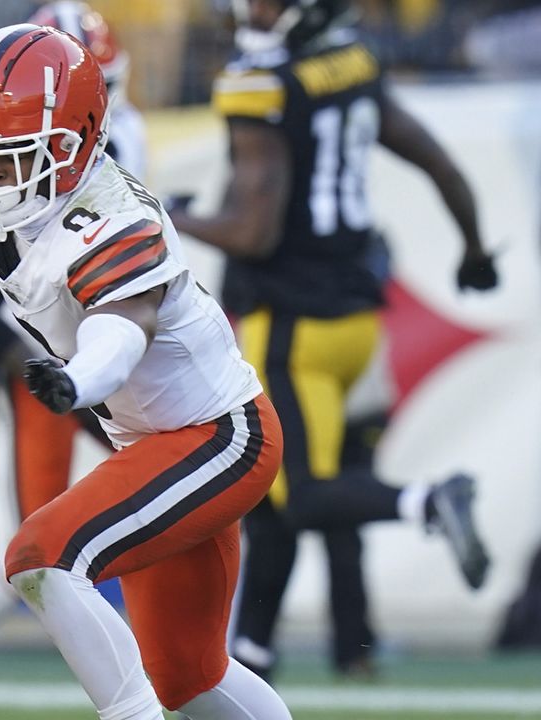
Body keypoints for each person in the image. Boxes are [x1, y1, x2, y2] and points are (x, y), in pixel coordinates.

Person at [0, 23, 292, 720]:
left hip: (220, 437)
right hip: (162, 440)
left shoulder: (112, 220)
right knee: (187, 676)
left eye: (5, 158)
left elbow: (124, 327)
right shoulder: (8, 197)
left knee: (41, 556)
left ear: (70, 146)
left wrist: (80, 380)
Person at [167, 0, 498, 682]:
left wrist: (177, 216)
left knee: (300, 494)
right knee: (309, 495)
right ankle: (279, 650)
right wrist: (473, 251)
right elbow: (441, 164)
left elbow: (253, 232)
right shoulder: (352, 63)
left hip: (293, 325)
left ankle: (429, 500)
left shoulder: (261, 84)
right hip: (358, 325)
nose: (247, 8)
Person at [0, 0, 149, 680]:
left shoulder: (124, 143)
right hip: (51, 360)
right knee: (41, 533)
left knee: (123, 515)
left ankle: (185, 654)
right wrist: (27, 355)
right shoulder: (4, 164)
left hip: (116, 358)